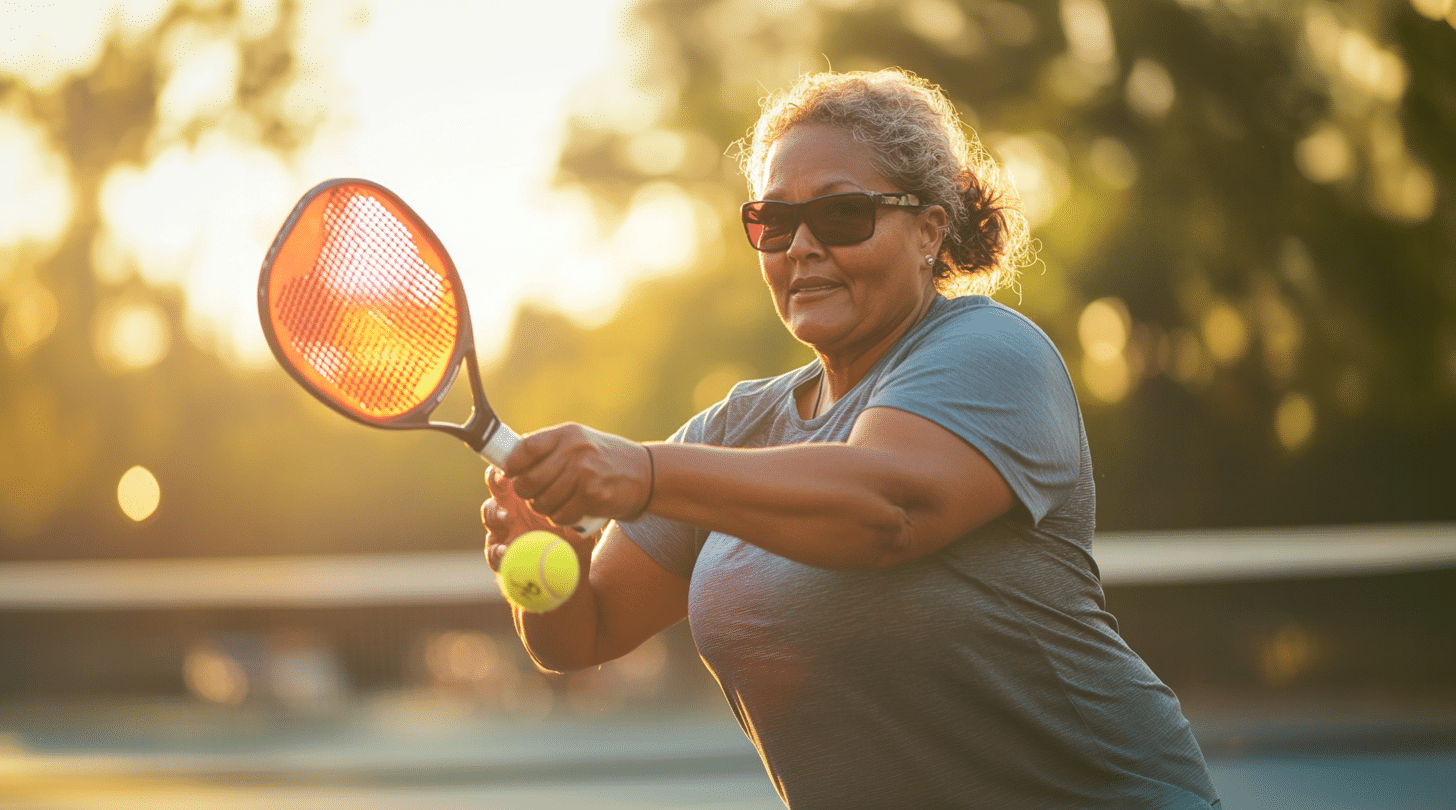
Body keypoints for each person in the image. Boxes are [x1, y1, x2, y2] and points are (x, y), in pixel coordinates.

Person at [482, 68, 1221, 809]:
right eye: (774, 222)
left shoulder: (994, 352)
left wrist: (642, 473)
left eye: (841, 215)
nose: (800, 246)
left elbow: (886, 510)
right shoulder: (734, 428)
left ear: (930, 231)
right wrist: (545, 561)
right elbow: (586, 635)